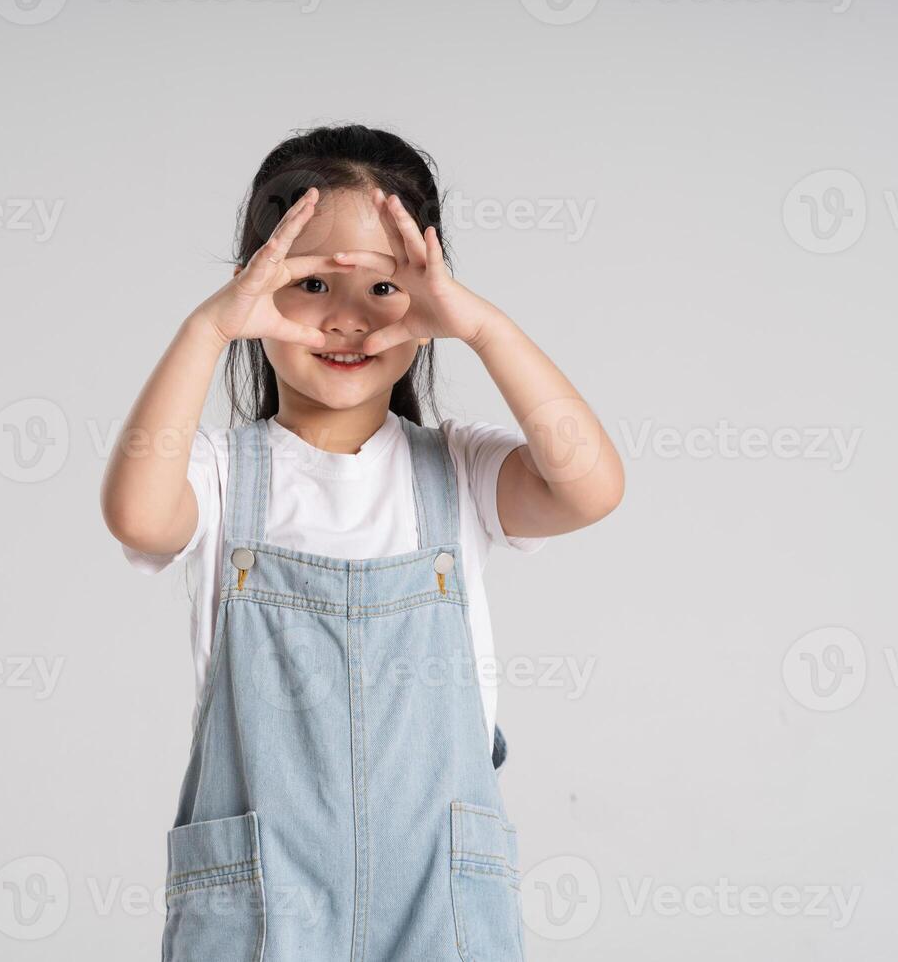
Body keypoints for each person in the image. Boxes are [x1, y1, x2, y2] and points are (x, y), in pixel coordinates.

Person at [101, 124, 624, 961]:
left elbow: (590, 485)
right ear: (255, 291)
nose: (346, 319)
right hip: (263, 908)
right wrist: (205, 332)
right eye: (309, 283)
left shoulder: (459, 471)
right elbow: (136, 512)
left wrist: (482, 327)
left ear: (428, 298)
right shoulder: (219, 477)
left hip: (438, 908)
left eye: (384, 288)